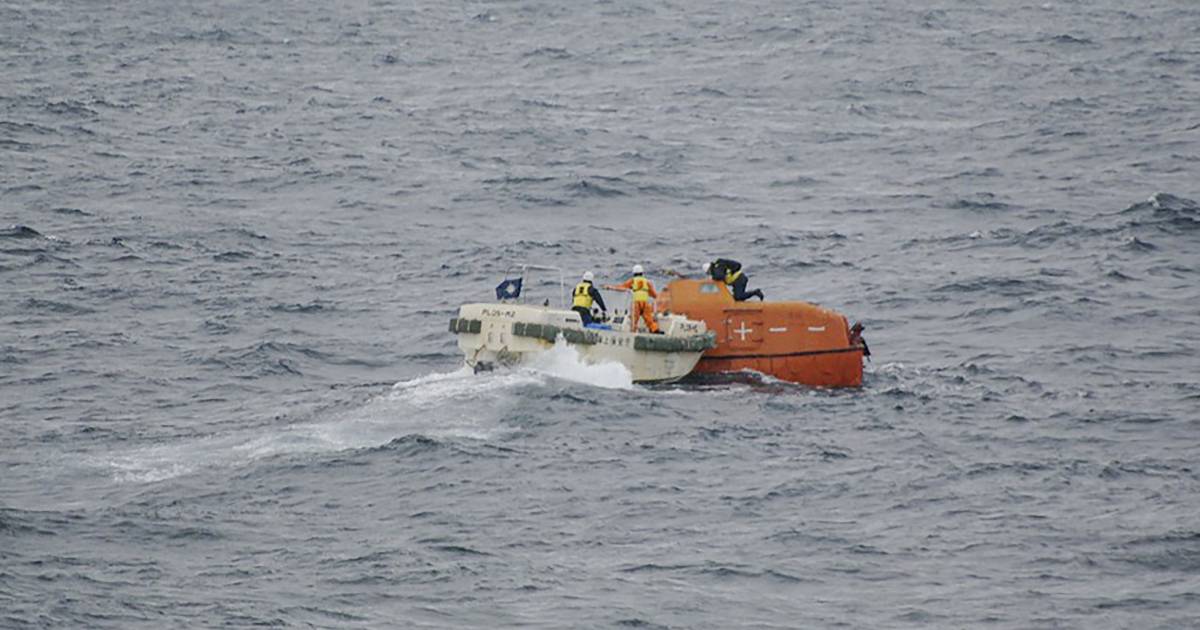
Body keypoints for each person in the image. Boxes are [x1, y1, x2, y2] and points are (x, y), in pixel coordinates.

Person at [604, 264, 661, 334]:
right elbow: (654, 295)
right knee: (649, 319)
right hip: (645, 303)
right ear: (642, 273)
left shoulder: (632, 281)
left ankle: (633, 333)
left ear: (634, 273)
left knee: (634, 320)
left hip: (636, 303)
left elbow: (622, 288)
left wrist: (610, 287)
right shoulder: (647, 282)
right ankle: (655, 330)